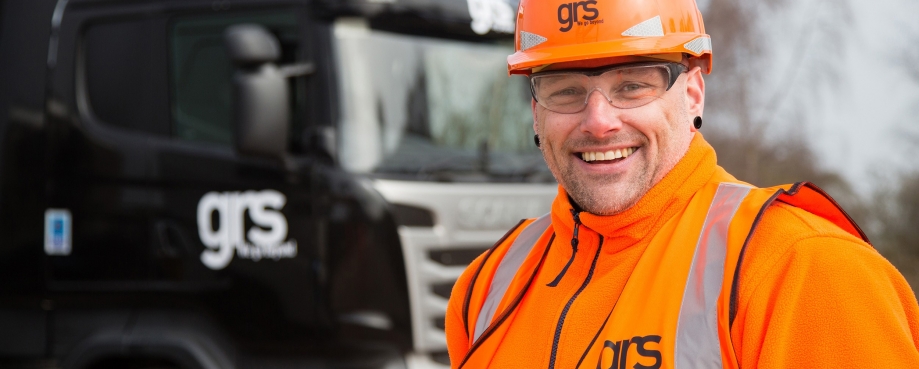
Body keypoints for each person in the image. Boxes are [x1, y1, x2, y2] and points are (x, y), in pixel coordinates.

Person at [443, 0, 919, 368]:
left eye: (633, 85)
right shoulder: (486, 288)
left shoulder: (803, 270)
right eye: (564, 90)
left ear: (692, 93)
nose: (598, 121)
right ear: (535, 112)